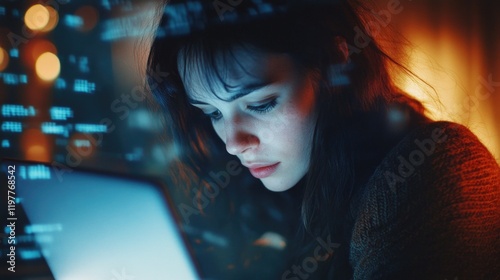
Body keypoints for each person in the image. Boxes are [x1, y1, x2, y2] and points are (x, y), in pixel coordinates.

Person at [145, 0, 500, 279]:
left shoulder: (435, 173)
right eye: (213, 113)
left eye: (261, 104)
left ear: (333, 63)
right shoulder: (283, 194)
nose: (233, 142)